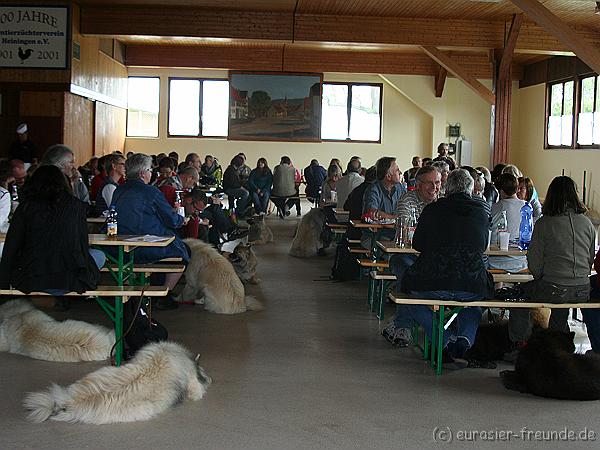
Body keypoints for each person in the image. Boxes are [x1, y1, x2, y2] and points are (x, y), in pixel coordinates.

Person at [400, 169, 492, 368]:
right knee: (476, 303)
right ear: (471, 189)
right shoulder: (480, 212)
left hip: (432, 281)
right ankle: (465, 340)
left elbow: (417, 244)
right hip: (470, 283)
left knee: (409, 299)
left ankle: (445, 339)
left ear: (447, 188)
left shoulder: (432, 210)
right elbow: (482, 246)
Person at [506, 176, 596, 360]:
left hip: (554, 287)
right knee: (561, 303)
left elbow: (534, 264)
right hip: (582, 289)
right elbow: (589, 259)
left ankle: (521, 344)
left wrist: (544, 277)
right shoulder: (587, 224)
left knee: (516, 299)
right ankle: (559, 345)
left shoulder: (544, 223)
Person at [0, 165, 104, 310]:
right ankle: (56, 298)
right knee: (99, 255)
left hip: (32, 277)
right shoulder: (77, 206)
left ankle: (44, 298)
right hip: (68, 278)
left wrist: (4, 284)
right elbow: (81, 246)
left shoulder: (26, 207)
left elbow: (11, 247)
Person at [111, 154, 190, 310]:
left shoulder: (118, 191)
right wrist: (182, 219)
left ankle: (152, 291)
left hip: (121, 247)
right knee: (183, 253)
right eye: (150, 170)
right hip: (145, 246)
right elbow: (172, 220)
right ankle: (164, 294)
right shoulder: (151, 192)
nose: (152, 173)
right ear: (142, 173)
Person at [382, 166, 442, 347]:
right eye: (429, 183)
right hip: (406, 255)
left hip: (434, 257)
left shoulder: (444, 202)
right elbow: (407, 232)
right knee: (408, 273)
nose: (435, 187)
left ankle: (400, 324)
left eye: (438, 182)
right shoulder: (407, 200)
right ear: (418, 185)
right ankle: (407, 326)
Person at [361, 157, 407, 247]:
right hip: (375, 235)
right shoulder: (373, 189)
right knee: (393, 252)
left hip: (396, 235)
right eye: (397, 170)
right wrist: (396, 218)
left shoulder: (400, 188)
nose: (400, 172)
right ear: (388, 176)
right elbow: (372, 212)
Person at [488, 173, 527, 273]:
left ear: (501, 191)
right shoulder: (527, 207)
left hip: (499, 260)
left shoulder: (497, 207)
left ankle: (497, 288)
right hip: (522, 260)